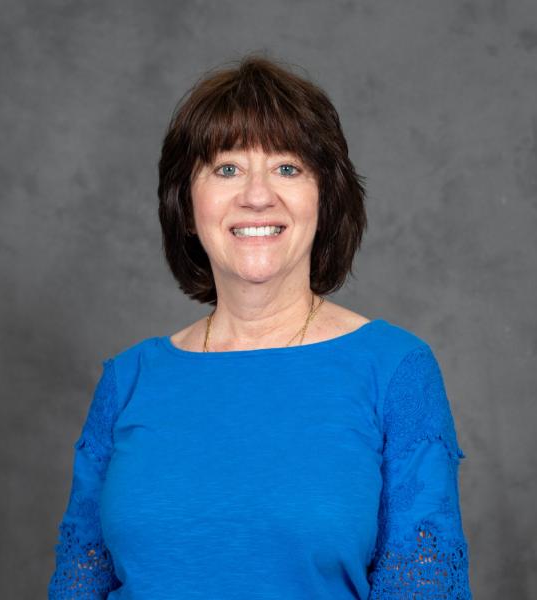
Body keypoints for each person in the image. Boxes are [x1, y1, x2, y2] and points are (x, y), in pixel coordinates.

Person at [48, 54, 472, 599]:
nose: (256, 194)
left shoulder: (395, 373)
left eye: (287, 168)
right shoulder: (127, 381)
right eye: (227, 168)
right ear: (187, 201)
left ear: (325, 196)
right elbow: (76, 588)